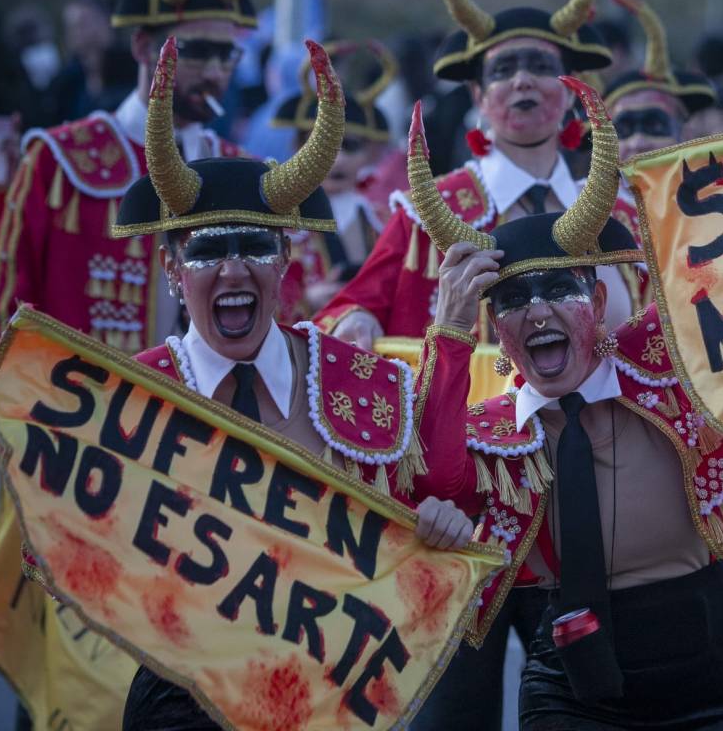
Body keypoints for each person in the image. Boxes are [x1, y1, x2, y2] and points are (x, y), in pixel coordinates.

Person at [116, 37, 475, 730]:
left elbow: (437, 492)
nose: (233, 269)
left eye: (255, 245)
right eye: (208, 250)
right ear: (170, 267)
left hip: (328, 694)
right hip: (178, 694)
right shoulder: (136, 394)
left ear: (287, 258)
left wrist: (441, 521)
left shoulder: (353, 378)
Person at [408, 75, 723, 728]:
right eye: (514, 303)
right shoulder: (494, 431)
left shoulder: (672, 367)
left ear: (601, 305)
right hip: (567, 684)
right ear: (502, 335)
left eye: (559, 290)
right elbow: (433, 480)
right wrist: (451, 330)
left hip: (704, 676)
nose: (537, 312)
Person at [315, 0, 643, 349]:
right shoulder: (426, 213)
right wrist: (357, 321)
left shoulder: (623, 217)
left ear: (571, 91)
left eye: (540, 65)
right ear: (478, 96)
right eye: (503, 69)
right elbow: (352, 305)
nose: (522, 79)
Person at [0, 0, 268, 352]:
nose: (215, 72)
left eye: (226, 56)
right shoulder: (59, 160)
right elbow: (3, 308)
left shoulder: (244, 172)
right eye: (196, 52)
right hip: (80, 408)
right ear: (142, 47)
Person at [272, 40, 400, 317]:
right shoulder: (277, 220)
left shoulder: (385, 219)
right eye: (322, 145)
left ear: (370, 153)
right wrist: (304, 300)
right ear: (297, 148)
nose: (336, 159)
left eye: (350, 146)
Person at [603, 0, 716, 167]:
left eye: (654, 126)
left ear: (686, 134)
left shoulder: (715, 194)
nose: (638, 143)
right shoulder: (578, 194)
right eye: (623, 130)